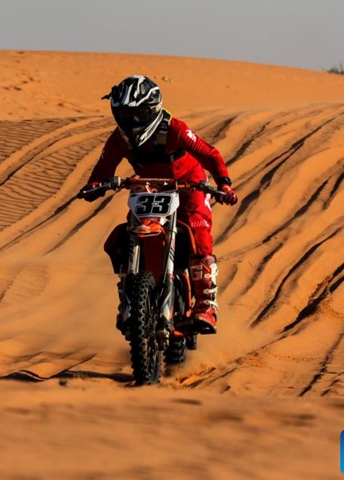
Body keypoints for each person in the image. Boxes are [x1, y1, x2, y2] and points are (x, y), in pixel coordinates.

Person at [77, 75, 238, 334]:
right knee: (126, 234)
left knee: (199, 233)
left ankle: (206, 306)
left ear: (152, 109)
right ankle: (128, 296)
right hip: (149, 186)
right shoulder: (119, 139)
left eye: (138, 113)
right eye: (124, 114)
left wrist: (224, 184)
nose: (131, 121)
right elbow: (104, 167)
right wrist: (95, 185)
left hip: (189, 184)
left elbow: (208, 153)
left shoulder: (173, 128)